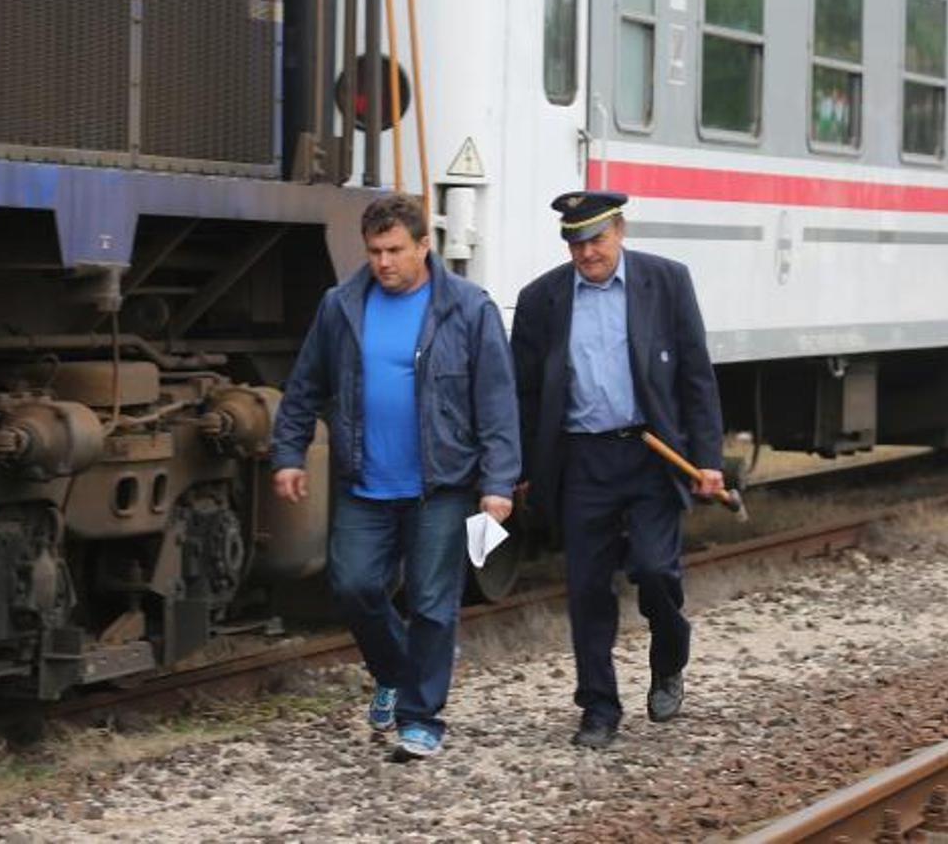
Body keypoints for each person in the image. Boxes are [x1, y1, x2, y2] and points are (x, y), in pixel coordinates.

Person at [272, 194, 519, 760]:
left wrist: (498, 483)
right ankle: (392, 671)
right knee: (353, 586)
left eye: (394, 250)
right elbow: (304, 386)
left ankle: (421, 717)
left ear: (424, 246)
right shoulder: (342, 306)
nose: (383, 262)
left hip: (441, 485)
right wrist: (288, 454)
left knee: (432, 604)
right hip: (366, 482)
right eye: (374, 251)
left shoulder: (468, 308)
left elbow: (497, 403)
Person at [510, 190, 724, 749]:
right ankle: (598, 707)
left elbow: (696, 377)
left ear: (620, 232)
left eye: (596, 240)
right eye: (575, 243)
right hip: (582, 460)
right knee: (586, 588)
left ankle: (669, 659)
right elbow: (524, 393)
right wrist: (523, 466)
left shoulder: (667, 282)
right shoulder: (540, 300)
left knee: (655, 571)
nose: (587, 253)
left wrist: (708, 459)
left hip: (652, 455)